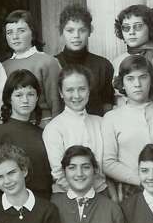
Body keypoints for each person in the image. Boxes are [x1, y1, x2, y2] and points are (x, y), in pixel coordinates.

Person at [102, 55, 153, 202]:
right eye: (130, 78)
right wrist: (142, 180)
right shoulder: (111, 118)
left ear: (151, 80)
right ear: (122, 84)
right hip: (129, 192)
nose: (137, 84)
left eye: (143, 77)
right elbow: (108, 163)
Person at [42, 65, 108, 195]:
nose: (76, 96)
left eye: (82, 89)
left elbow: (107, 165)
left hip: (101, 192)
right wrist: (85, 195)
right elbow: (58, 173)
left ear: (89, 89)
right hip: (68, 195)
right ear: (61, 93)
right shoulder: (54, 128)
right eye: (70, 90)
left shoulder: (100, 123)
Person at [0, 69, 53, 200]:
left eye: (30, 94)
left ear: (37, 98)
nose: (25, 100)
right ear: (9, 99)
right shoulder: (0, 133)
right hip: (14, 204)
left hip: (44, 202)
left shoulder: (43, 133)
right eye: (18, 95)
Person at [1, 10, 62, 124]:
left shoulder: (47, 61)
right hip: (15, 125)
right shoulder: (3, 66)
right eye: (9, 32)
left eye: (21, 31)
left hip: (43, 124)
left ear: (32, 33)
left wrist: (56, 130)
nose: (15, 37)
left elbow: (56, 103)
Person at [54, 4, 115, 116]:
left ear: (90, 30)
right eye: (70, 30)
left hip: (96, 128)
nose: (76, 36)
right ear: (61, 31)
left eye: (82, 30)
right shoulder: (52, 64)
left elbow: (107, 105)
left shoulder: (103, 65)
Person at [112, 4, 153, 107]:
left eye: (138, 26)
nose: (131, 32)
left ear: (150, 28)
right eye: (126, 28)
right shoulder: (117, 61)